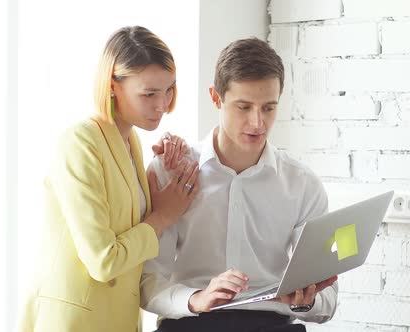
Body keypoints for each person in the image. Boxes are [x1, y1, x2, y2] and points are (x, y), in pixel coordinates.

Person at [140, 38, 338, 332]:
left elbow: (329, 300)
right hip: (191, 323)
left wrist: (305, 301)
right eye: (243, 107)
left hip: (273, 324)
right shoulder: (172, 171)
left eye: (268, 108)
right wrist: (196, 298)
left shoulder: (302, 184)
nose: (257, 123)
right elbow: (148, 281)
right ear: (216, 98)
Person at [17, 26, 199, 332]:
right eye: (149, 93)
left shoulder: (132, 145)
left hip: (118, 320)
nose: (162, 104)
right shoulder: (80, 142)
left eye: (169, 89)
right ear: (113, 84)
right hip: (75, 322)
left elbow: (128, 224)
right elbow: (104, 260)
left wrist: (163, 167)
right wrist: (163, 216)